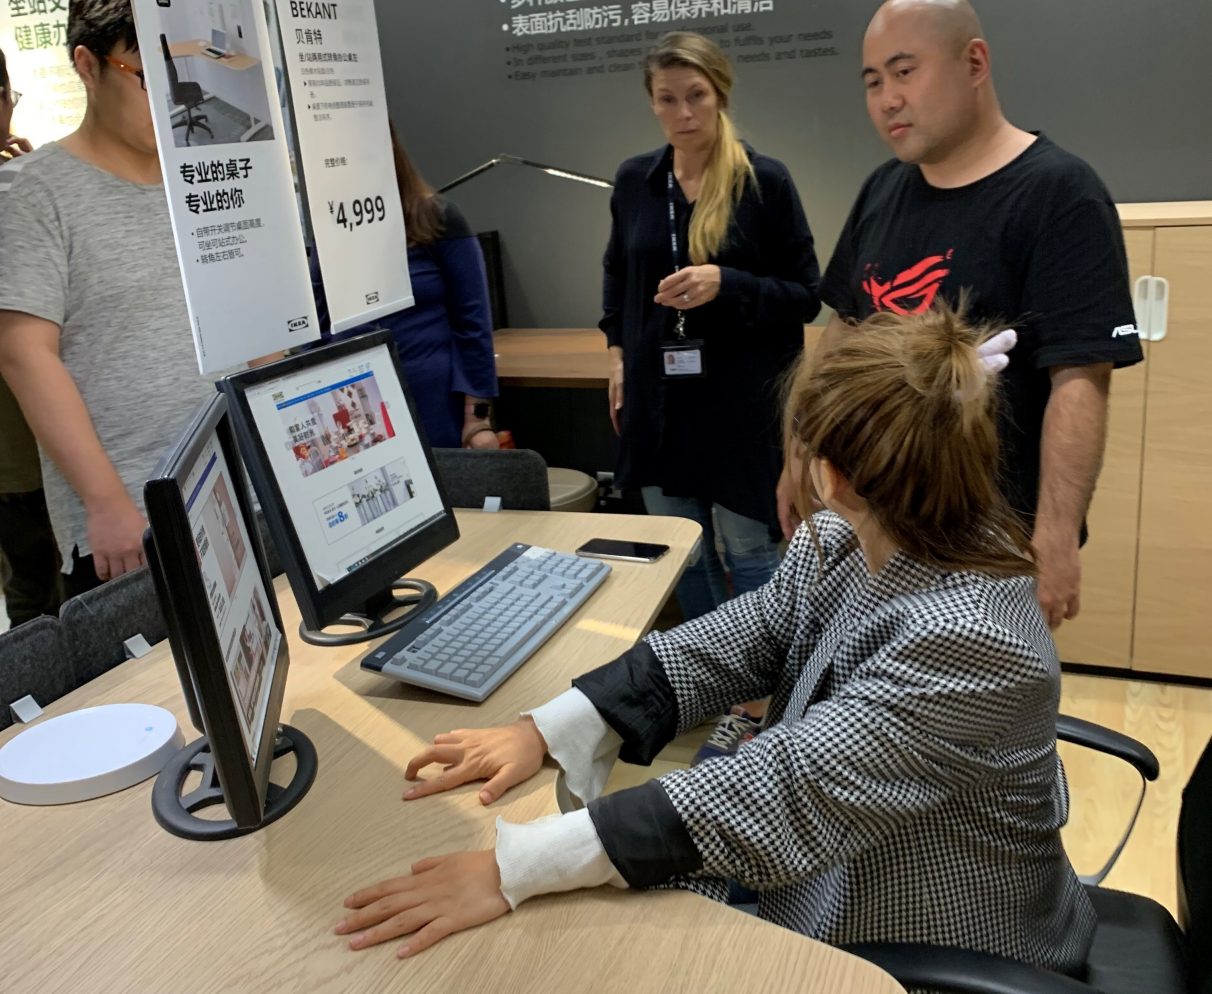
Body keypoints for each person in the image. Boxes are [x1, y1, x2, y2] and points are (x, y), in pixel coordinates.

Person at [333, 302, 1094, 980]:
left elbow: (782, 788)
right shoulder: (857, 538)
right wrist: (551, 728)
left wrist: (514, 865)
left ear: (833, 473)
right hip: (843, 865)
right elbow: (734, 640)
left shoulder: (973, 638)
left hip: (939, 937)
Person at [779, 0, 1145, 631]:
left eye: (903, 72)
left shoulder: (1060, 193)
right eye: (872, 81)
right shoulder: (882, 189)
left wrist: (1054, 537)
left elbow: (1079, 380)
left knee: (973, 716)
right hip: (876, 521)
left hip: (986, 544)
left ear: (974, 62)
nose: (887, 98)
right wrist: (800, 454)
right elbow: (843, 331)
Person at [602, 31, 821, 626]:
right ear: (652, 101)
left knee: (750, 551)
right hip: (662, 400)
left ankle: (763, 686)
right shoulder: (635, 182)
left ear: (720, 93)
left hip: (741, 403)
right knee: (683, 551)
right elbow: (618, 276)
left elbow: (807, 297)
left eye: (696, 95)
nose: (684, 113)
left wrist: (730, 283)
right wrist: (618, 357)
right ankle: (710, 675)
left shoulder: (763, 182)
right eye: (667, 98)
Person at [0, 0, 210, 597]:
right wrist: (106, 501)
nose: (179, 97)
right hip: (128, 515)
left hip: (235, 486)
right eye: (149, 76)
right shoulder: (29, 188)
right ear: (87, 66)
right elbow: (23, 354)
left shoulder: (212, 174)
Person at [313, 126, 499, 451]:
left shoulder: (435, 216)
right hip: (354, 411)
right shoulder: (327, 231)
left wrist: (478, 418)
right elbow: (316, 330)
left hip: (435, 406)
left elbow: (473, 322)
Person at [0, 45, 61, 629]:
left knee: (28, 587)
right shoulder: (16, 193)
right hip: (25, 453)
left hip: (18, 457)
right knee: (44, 594)